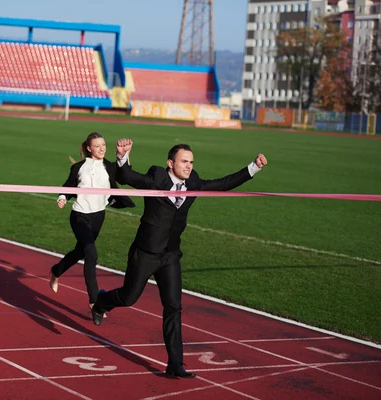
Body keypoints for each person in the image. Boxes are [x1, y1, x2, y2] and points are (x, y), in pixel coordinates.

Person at [91, 138, 268, 378]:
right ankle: (102, 301)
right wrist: (122, 157)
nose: (189, 166)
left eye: (191, 162)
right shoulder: (157, 178)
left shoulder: (193, 182)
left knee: (174, 307)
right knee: (128, 297)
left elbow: (222, 184)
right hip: (145, 253)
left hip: (170, 256)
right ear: (170, 163)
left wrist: (253, 167)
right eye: (184, 162)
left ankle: (175, 364)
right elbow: (128, 178)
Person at [50, 132, 134, 312]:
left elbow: (125, 176)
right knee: (91, 253)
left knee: (81, 251)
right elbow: (68, 186)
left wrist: (123, 155)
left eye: (104, 145)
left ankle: (56, 271)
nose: (102, 148)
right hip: (79, 215)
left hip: (98, 216)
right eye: (97, 146)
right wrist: (63, 197)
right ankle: (94, 301)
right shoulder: (79, 167)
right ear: (89, 148)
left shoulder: (109, 167)